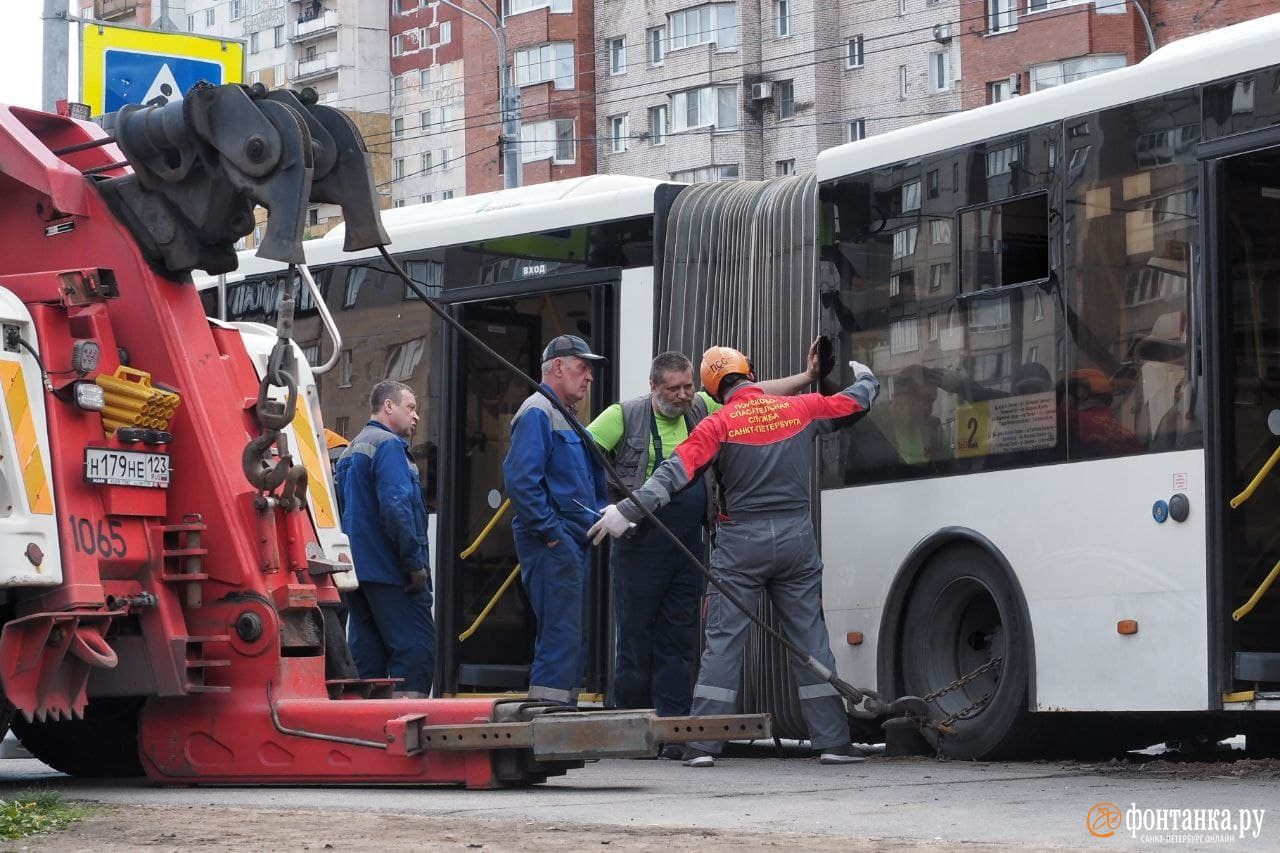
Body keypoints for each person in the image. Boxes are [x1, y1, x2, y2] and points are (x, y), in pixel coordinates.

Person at [589, 347, 880, 767]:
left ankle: (704, 744)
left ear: (710, 388)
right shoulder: (799, 408)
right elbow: (853, 403)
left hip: (741, 543)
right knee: (810, 639)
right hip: (798, 539)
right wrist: (867, 377)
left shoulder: (717, 422)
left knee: (724, 643)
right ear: (751, 374)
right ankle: (833, 741)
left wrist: (625, 511)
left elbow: (671, 475)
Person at [503, 334, 609, 705]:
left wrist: (598, 516)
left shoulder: (561, 414)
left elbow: (585, 482)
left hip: (569, 539)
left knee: (569, 632)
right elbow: (521, 480)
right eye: (583, 368)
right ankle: (549, 716)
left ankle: (560, 712)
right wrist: (552, 534)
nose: (589, 377)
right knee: (561, 631)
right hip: (555, 541)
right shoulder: (538, 411)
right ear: (559, 367)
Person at [335, 380, 435, 697]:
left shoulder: (351, 451)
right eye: (411, 408)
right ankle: (409, 723)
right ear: (388, 407)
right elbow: (397, 507)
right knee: (416, 648)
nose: (416, 417)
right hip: (393, 573)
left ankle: (369, 728)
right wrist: (414, 564)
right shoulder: (389, 446)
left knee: (367, 658)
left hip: (358, 575)